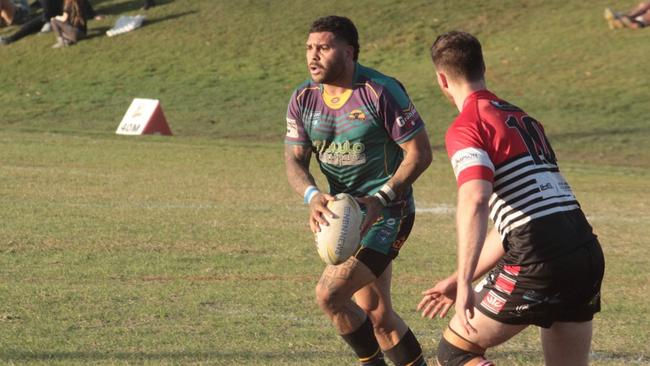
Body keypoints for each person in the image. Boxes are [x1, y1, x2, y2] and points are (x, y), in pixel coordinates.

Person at [417, 31, 604, 366]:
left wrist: (463, 283)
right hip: (585, 251)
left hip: (540, 255)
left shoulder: (468, 125)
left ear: (442, 80)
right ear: (483, 67)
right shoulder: (524, 119)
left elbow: (475, 198)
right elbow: (519, 218)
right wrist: (465, 276)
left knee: (456, 352)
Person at [284, 15, 432, 366]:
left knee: (330, 295)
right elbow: (294, 160)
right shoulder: (303, 98)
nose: (313, 56)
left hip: (388, 214)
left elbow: (420, 153)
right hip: (347, 217)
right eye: (309, 48)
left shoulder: (379, 91)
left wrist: (382, 197)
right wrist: (311, 195)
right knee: (379, 316)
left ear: (349, 52)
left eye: (323, 47)